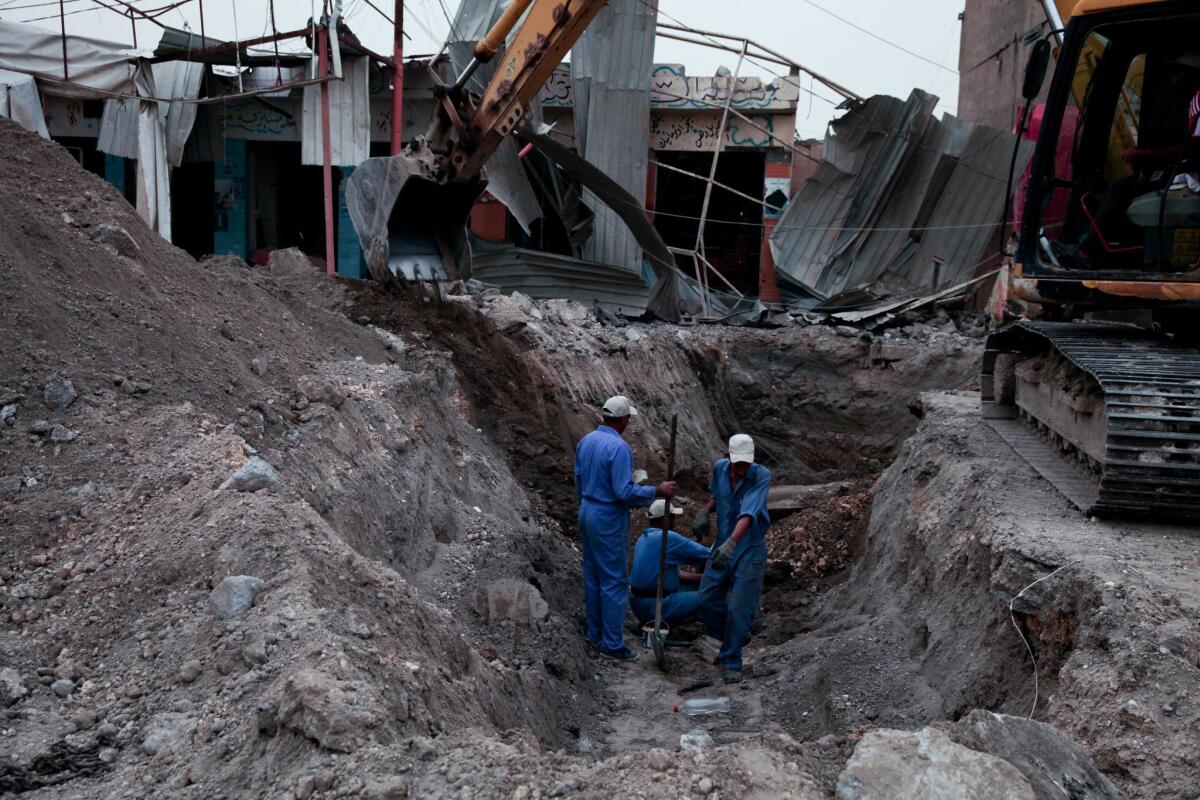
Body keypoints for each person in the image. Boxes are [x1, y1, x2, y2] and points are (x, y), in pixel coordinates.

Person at [574, 395, 676, 662]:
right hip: (607, 516)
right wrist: (657, 491)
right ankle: (612, 644)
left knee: (594, 575)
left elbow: (578, 478)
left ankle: (595, 634)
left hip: (587, 510)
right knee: (614, 580)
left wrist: (586, 506)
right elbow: (623, 492)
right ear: (622, 419)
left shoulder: (587, 441)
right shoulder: (619, 448)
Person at [693, 434, 771, 684]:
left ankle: (731, 659)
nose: (741, 469)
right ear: (728, 457)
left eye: (745, 464)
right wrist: (705, 511)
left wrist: (731, 544)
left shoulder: (761, 476)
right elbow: (718, 496)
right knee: (705, 599)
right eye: (737, 464)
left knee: (739, 606)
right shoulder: (719, 469)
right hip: (724, 542)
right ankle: (734, 637)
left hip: (748, 548)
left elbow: (748, 514)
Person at [628, 499, 711, 628]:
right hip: (656, 606)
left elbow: (676, 574)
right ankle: (720, 632)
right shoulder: (667, 537)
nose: (674, 521)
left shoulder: (643, 538)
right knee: (712, 596)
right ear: (666, 519)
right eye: (672, 517)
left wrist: (703, 579)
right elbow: (709, 554)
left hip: (638, 605)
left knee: (693, 587)